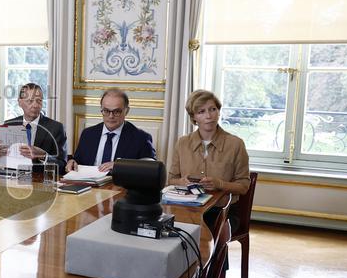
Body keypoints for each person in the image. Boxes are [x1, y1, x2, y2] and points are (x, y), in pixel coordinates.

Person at [168, 89, 250, 231]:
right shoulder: (182, 143)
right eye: (201, 112)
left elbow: (243, 186)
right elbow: (171, 179)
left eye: (213, 109)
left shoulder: (236, 144)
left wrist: (220, 184)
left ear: (218, 112)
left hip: (223, 210)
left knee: (207, 233)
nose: (209, 116)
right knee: (169, 228)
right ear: (194, 117)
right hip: (188, 208)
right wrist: (181, 182)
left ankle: (216, 254)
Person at [66, 88, 156, 173]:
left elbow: (150, 169)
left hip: (121, 186)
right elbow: (78, 161)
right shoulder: (88, 134)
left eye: (116, 111)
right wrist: (72, 162)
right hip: (89, 186)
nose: (111, 116)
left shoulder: (141, 138)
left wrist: (120, 166)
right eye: (106, 111)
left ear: (127, 111)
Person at [0, 83, 67, 173]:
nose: (35, 105)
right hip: (11, 178)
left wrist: (43, 155)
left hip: (39, 180)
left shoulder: (56, 128)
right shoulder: (9, 124)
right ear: (20, 102)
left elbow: (62, 165)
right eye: (30, 101)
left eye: (39, 101)